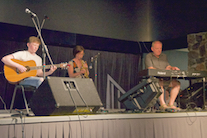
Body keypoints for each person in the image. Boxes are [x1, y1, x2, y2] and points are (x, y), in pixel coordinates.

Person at [145, 41, 181, 111]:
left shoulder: (164, 56)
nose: (159, 50)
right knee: (159, 83)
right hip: (154, 80)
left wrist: (172, 68)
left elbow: (167, 66)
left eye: (160, 48)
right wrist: (162, 70)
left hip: (165, 79)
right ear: (152, 49)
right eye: (157, 48)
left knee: (177, 84)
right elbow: (150, 68)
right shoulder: (148, 56)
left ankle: (171, 104)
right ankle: (162, 105)